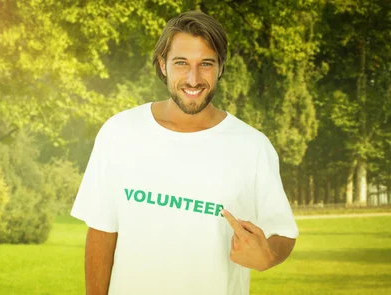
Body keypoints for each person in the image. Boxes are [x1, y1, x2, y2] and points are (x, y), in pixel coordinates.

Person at [70, 10, 299, 295]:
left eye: (206, 64)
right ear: (163, 64)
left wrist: (270, 256)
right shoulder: (119, 133)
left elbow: (283, 233)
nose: (193, 78)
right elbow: (102, 232)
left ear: (220, 68)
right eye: (181, 63)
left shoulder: (252, 146)